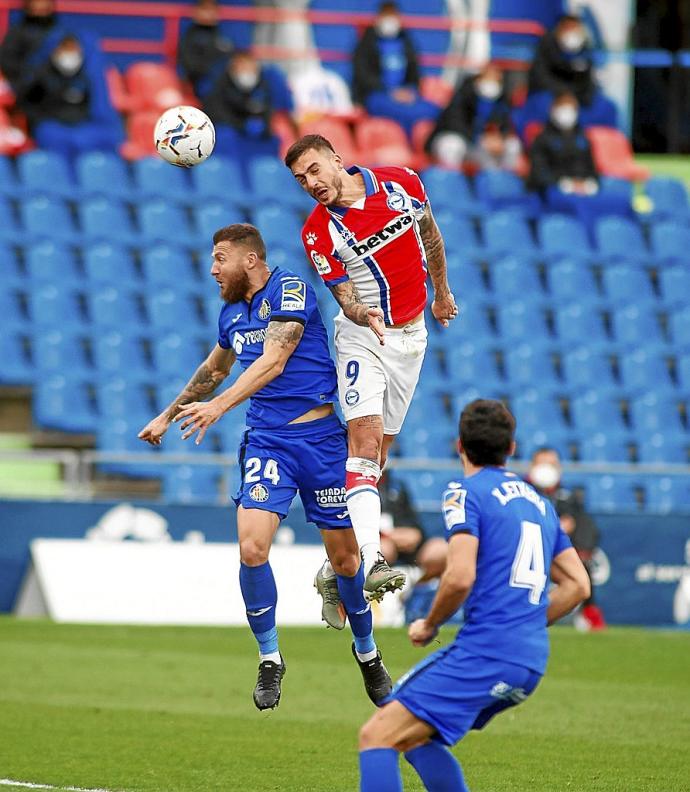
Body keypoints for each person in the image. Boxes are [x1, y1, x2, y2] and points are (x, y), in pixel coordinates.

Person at [138, 223, 392, 711]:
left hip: (319, 441)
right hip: (267, 443)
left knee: (346, 562)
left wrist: (218, 408)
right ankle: (270, 658)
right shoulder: (232, 312)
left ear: (250, 259)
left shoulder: (290, 289)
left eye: (220, 259)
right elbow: (214, 369)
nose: (213, 269)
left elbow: (275, 360)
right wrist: (168, 415)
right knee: (252, 548)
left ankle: (367, 653)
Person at [357, 399, 591, 791]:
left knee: (375, 736)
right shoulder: (541, 504)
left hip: (487, 651)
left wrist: (430, 623)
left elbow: (460, 575)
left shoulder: (465, 493)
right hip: (530, 659)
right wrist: (527, 622)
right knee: (414, 736)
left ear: (459, 446)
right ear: (512, 449)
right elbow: (578, 585)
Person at [284, 133, 458, 625]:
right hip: (363, 338)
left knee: (378, 457)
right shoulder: (319, 231)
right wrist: (364, 316)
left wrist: (441, 293)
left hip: (411, 336)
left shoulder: (402, 183)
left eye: (316, 169)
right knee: (362, 442)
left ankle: (332, 566)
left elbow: (431, 237)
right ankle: (371, 560)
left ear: (338, 159)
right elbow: (343, 297)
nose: (311, 183)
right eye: (301, 179)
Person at [528, 446, 606, 631]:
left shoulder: (568, 498)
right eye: (542, 464)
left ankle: (589, 613)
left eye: (552, 464)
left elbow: (587, 527)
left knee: (581, 567)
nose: (547, 469)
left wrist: (581, 547)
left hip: (559, 556)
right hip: (528, 553)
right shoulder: (521, 493)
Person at [526, 91, 631, 228]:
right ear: (553, 110)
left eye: (571, 109)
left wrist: (589, 184)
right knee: (580, 206)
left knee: (620, 202)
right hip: (554, 191)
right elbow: (539, 173)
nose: (567, 113)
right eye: (563, 108)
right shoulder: (542, 140)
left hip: (584, 189)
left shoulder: (583, 139)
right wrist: (566, 184)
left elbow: (592, 169)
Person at [16, 32, 122, 158]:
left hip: (81, 125)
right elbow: (29, 106)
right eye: (65, 49)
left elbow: (94, 108)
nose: (69, 54)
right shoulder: (40, 77)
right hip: (52, 125)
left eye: (73, 49)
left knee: (103, 137)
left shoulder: (86, 78)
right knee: (54, 137)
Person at [351, 1, 439, 136]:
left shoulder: (407, 43)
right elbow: (363, 76)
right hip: (376, 95)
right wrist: (391, 92)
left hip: (405, 95)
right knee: (406, 114)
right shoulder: (366, 43)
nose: (390, 21)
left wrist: (410, 91)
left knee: (436, 111)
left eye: (393, 16)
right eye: (386, 16)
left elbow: (414, 74)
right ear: (378, 18)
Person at [525, 13, 617, 129]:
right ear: (559, 30)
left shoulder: (584, 49)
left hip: (578, 96)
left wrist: (577, 96)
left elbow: (587, 80)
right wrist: (563, 94)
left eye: (575, 28)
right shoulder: (545, 46)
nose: (572, 32)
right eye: (568, 28)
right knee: (542, 105)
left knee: (606, 106)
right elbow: (540, 77)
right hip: (552, 94)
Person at [426, 62, 521, 171]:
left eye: (495, 80)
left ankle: (502, 181)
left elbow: (506, 124)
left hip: (483, 149)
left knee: (512, 145)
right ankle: (450, 180)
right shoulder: (463, 96)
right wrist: (479, 139)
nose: (491, 84)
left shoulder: (501, 101)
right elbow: (453, 124)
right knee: (451, 145)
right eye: (487, 78)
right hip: (464, 142)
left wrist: (500, 138)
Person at [203, 50, 280, 162]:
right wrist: (242, 125)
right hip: (231, 133)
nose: (248, 73)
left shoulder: (263, 87)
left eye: (251, 69)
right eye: (243, 69)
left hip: (255, 138)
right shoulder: (219, 88)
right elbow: (218, 115)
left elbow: (267, 112)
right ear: (233, 70)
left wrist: (264, 126)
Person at [178, 0, 234, 98]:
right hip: (199, 84)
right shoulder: (189, 36)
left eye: (212, 10)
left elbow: (231, 58)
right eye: (205, 9)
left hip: (223, 87)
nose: (208, 13)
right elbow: (188, 64)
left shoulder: (224, 34)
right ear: (196, 11)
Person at [0, 0, 60, 92]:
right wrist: (30, 74)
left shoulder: (59, 32)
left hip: (53, 89)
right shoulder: (16, 33)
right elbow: (7, 60)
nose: (41, 6)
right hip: (22, 88)